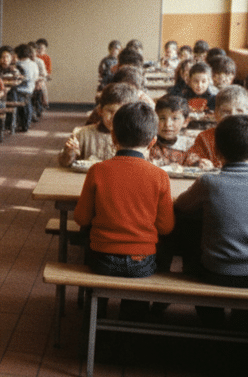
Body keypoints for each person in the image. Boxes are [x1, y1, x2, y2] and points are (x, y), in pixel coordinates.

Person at [172, 115, 248, 326]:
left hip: (216, 271)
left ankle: (213, 322)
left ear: (217, 152)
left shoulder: (209, 182)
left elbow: (181, 206)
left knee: (191, 250)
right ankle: (243, 323)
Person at [74, 102, 174, 279]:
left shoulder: (97, 170)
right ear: (152, 142)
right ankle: (134, 306)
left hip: (102, 258)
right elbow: (166, 228)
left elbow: (81, 218)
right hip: (142, 260)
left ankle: (98, 305)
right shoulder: (160, 176)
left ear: (113, 137)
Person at [186, 86, 248, 169]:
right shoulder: (204, 138)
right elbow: (192, 160)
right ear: (216, 114)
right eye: (226, 112)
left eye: (239, 111)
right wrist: (200, 163)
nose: (233, 116)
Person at [59, 83, 139, 167]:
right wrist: (69, 153)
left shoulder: (135, 137)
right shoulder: (83, 134)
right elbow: (64, 164)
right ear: (100, 111)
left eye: (120, 113)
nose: (114, 117)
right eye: (110, 111)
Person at [149, 95, 196, 166]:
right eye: (162, 118)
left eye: (175, 119)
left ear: (185, 122)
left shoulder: (189, 146)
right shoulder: (148, 145)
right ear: (155, 119)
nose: (167, 124)